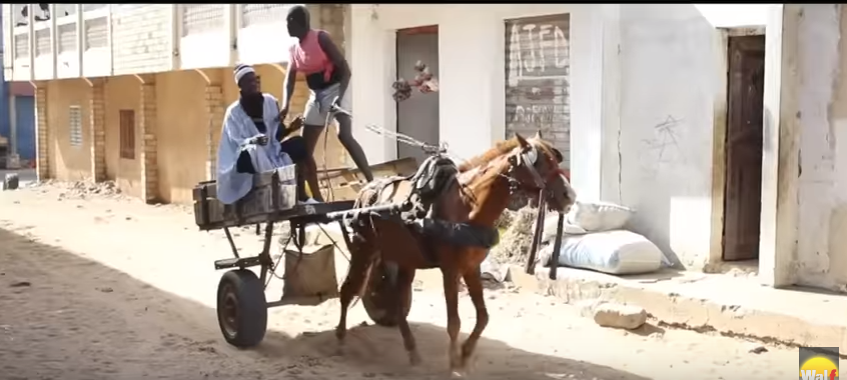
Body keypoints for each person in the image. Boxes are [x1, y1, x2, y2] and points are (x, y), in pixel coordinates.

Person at [279, 5, 374, 203]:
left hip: (337, 88)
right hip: (316, 95)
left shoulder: (321, 38)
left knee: (343, 134)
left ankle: (371, 181)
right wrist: (286, 104)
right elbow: (289, 79)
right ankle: (317, 198)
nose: (287, 26)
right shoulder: (294, 50)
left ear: (300, 23)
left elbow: (345, 69)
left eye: (290, 22)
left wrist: (339, 98)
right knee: (304, 149)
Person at [216, 63, 318, 205]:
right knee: (253, 151)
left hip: (271, 154)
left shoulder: (269, 102)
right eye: (248, 82)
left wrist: (290, 128)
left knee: (299, 144)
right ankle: (277, 192)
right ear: (241, 86)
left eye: (255, 80)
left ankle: (302, 195)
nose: (253, 84)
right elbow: (236, 145)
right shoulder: (233, 113)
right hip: (246, 161)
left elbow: (276, 137)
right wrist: (254, 141)